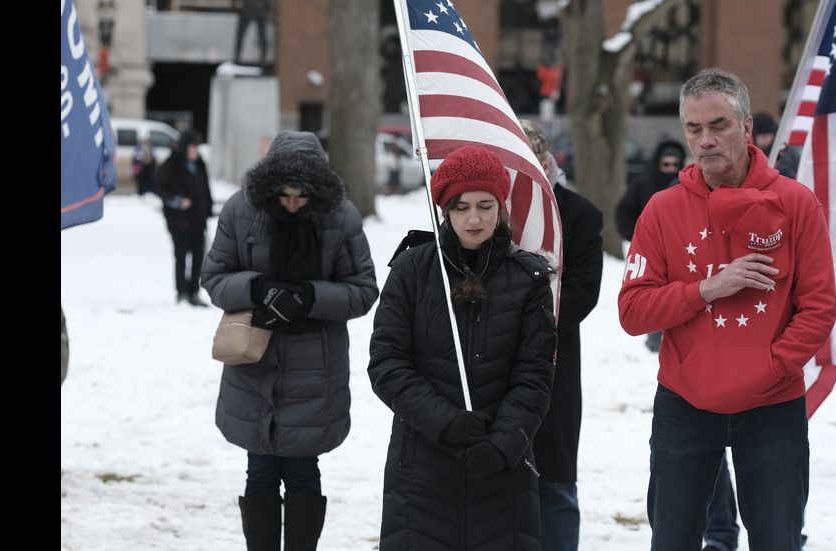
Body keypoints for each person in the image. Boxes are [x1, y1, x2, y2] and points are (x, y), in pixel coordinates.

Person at [617, 68, 836, 550]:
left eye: (718, 125)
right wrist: (705, 289)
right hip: (684, 402)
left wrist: (772, 367)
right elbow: (632, 312)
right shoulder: (661, 209)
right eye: (694, 129)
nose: (706, 140)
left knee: (778, 541)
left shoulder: (797, 203)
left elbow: (819, 309)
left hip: (773, 404)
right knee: (672, 541)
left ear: (746, 126)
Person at [368, 145, 558, 550]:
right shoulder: (412, 271)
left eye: (486, 205)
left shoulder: (529, 279)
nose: (475, 219)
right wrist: (445, 421)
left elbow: (535, 376)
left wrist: (504, 443)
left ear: (501, 207)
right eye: (462, 207)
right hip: (421, 467)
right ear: (445, 211)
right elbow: (387, 364)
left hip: (501, 470)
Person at [200, 130, 379, 550]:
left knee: (302, 469)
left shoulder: (342, 217)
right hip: (253, 358)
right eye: (285, 195)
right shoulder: (240, 211)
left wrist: (310, 297)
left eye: (303, 195)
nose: (294, 203)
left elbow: (364, 290)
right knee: (260, 468)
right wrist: (258, 288)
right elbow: (214, 278)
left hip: (314, 366)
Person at [519, 119, 603, 551]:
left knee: (553, 483)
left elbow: (583, 293)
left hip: (553, 364)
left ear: (547, 161)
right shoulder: (480, 212)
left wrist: (520, 320)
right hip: (485, 370)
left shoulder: (580, 216)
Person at [614, 138, 686, 353]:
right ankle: (655, 338)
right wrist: (638, 237)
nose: (671, 170)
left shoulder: (687, 186)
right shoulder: (642, 185)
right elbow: (623, 214)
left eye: (675, 165)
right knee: (653, 296)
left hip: (683, 253)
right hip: (651, 254)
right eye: (666, 165)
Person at [154, 128, 213, 307]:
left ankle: (194, 291)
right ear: (185, 146)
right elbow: (160, 188)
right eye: (193, 146)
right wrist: (176, 201)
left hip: (198, 218)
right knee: (181, 256)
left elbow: (206, 188)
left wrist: (208, 209)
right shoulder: (172, 163)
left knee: (198, 256)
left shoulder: (200, 163)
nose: (196, 150)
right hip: (178, 220)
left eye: (197, 146)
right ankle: (181, 292)